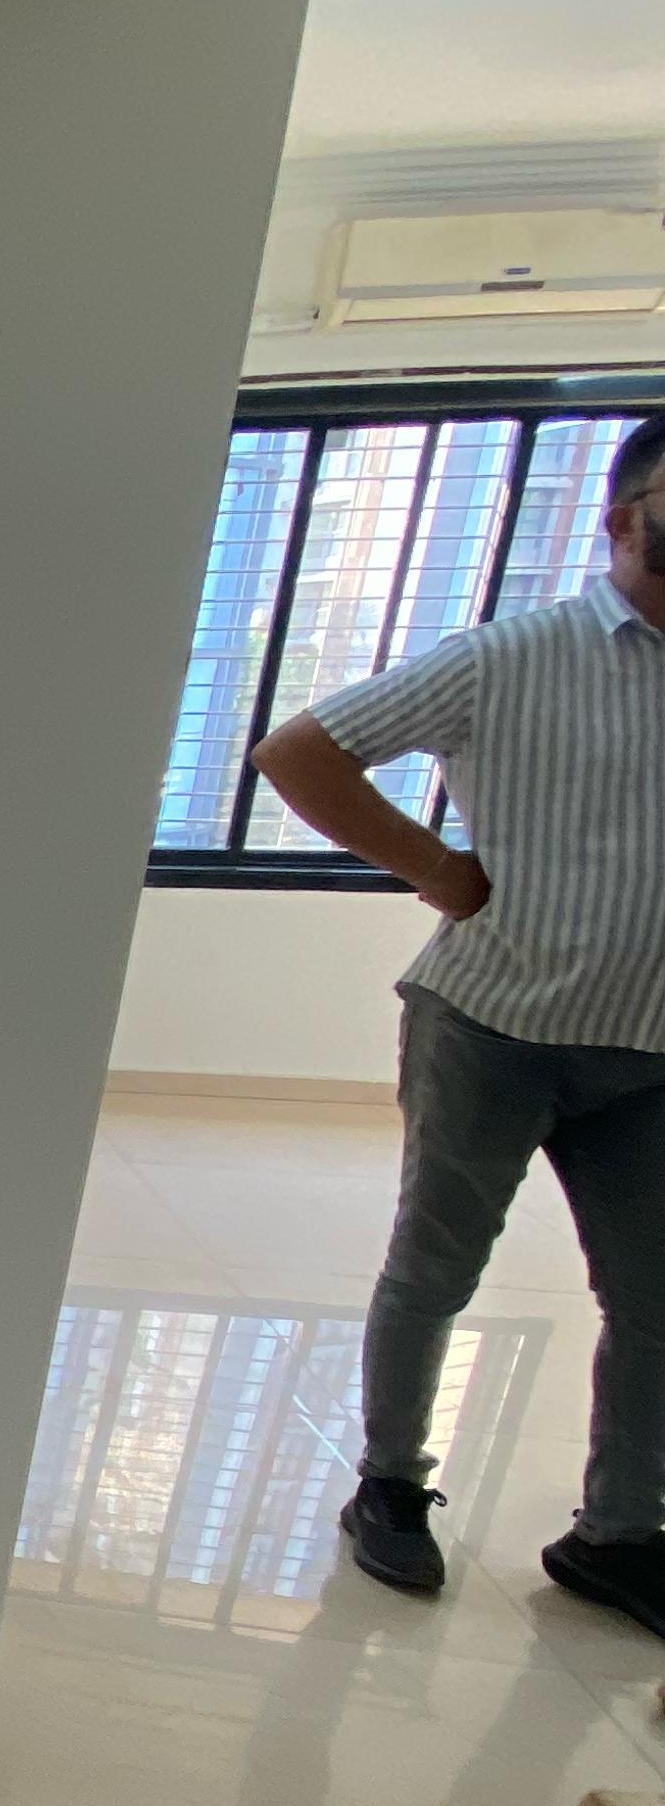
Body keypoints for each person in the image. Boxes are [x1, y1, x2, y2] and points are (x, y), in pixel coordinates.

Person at [252, 408, 665, 1622]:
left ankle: (619, 1532)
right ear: (624, 521)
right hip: (493, 1027)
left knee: (654, 1300)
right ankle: (389, 1485)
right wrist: (439, 870)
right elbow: (299, 752)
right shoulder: (515, 654)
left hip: (651, 1046)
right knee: (436, 1266)